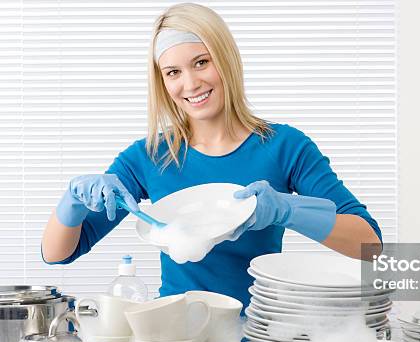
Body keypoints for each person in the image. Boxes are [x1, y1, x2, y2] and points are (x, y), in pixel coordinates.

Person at [41, 3, 382, 307]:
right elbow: (59, 254)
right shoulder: (150, 156)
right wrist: (72, 201)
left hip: (261, 335)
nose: (189, 84)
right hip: (176, 337)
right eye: (173, 72)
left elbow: (370, 244)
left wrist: (285, 209)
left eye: (201, 62)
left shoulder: (285, 146)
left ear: (227, 60)